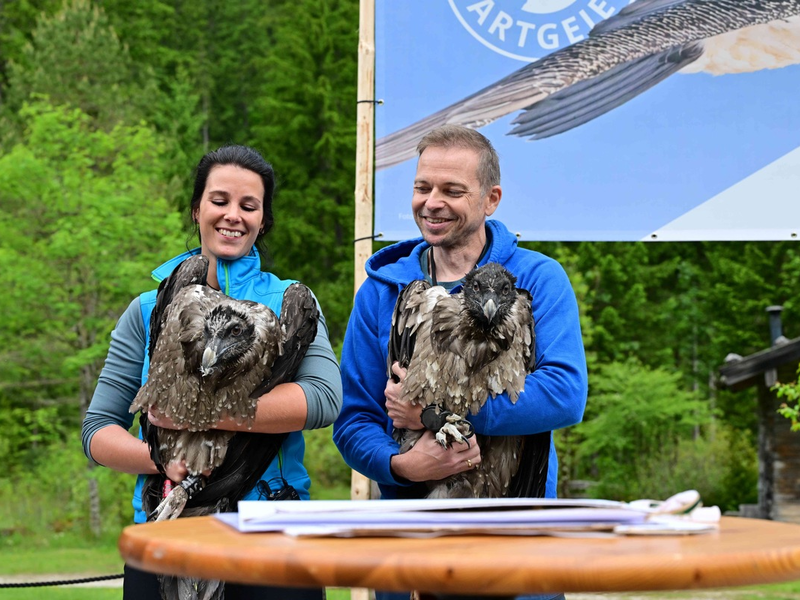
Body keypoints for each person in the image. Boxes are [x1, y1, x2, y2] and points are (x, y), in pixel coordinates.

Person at [333, 125, 588, 600]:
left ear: (491, 199)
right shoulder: (381, 293)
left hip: (518, 540)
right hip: (411, 549)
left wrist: (436, 413)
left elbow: (564, 394)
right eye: (422, 187)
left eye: (452, 191)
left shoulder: (537, 279)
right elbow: (353, 422)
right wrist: (403, 465)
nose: (432, 203)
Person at [81, 145, 342, 599]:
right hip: (168, 526)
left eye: (249, 205)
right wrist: (161, 460)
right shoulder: (146, 310)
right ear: (197, 209)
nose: (233, 215)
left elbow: (323, 399)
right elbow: (97, 430)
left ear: (264, 220)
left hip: (271, 527)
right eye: (219, 200)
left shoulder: (291, 301)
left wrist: (198, 413)